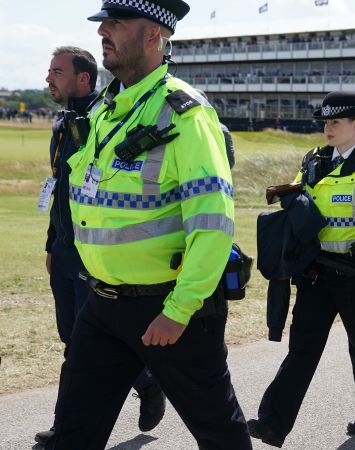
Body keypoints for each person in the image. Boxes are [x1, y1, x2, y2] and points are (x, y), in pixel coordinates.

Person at [46, 1, 251, 449]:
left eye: (117, 24)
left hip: (167, 309)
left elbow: (213, 223)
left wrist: (178, 312)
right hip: (100, 303)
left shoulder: (186, 115)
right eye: (104, 24)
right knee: (72, 432)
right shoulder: (105, 109)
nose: (105, 32)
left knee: (219, 432)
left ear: (154, 35)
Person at [36, 46, 166, 446]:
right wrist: (52, 242)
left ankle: (67, 427)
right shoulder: (64, 124)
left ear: (84, 79)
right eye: (48, 70)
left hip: (95, 252)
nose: (48, 78)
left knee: (84, 345)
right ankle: (146, 381)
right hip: (65, 250)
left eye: (57, 71)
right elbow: (62, 190)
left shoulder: (102, 120)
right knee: (70, 340)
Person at [247, 91, 355, 447]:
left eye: (335, 121)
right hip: (316, 272)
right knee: (302, 350)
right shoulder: (312, 160)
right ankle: (272, 424)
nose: (328, 128)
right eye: (325, 121)